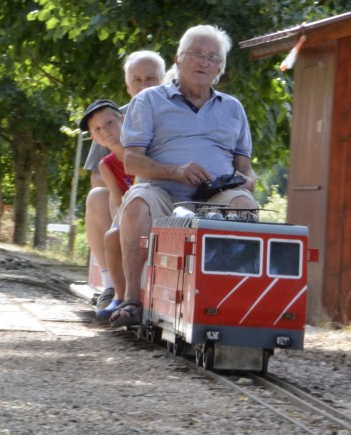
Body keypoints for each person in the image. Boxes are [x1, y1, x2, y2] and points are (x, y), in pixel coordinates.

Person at [110, 24, 258, 327]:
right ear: (178, 58)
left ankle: (229, 303)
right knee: (137, 203)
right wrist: (176, 172)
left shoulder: (233, 108)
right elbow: (132, 161)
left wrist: (248, 181)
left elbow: (244, 167)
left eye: (213, 58)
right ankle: (132, 301)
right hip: (161, 193)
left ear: (219, 68)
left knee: (244, 204)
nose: (204, 62)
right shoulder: (149, 100)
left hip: (215, 196)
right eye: (197, 54)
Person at [83, 50, 166, 314]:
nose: (143, 86)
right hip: (128, 197)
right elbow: (98, 175)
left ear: (164, 79)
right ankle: (111, 283)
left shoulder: (175, 114)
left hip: (165, 195)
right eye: (136, 80)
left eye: (151, 79)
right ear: (128, 86)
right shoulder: (114, 120)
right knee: (98, 196)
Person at [79, 99, 136, 321]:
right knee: (113, 236)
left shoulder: (140, 151)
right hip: (127, 209)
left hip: (147, 206)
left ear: (122, 120)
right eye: (98, 129)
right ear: (94, 137)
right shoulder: (106, 164)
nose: (105, 131)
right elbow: (118, 197)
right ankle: (117, 293)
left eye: (110, 123)